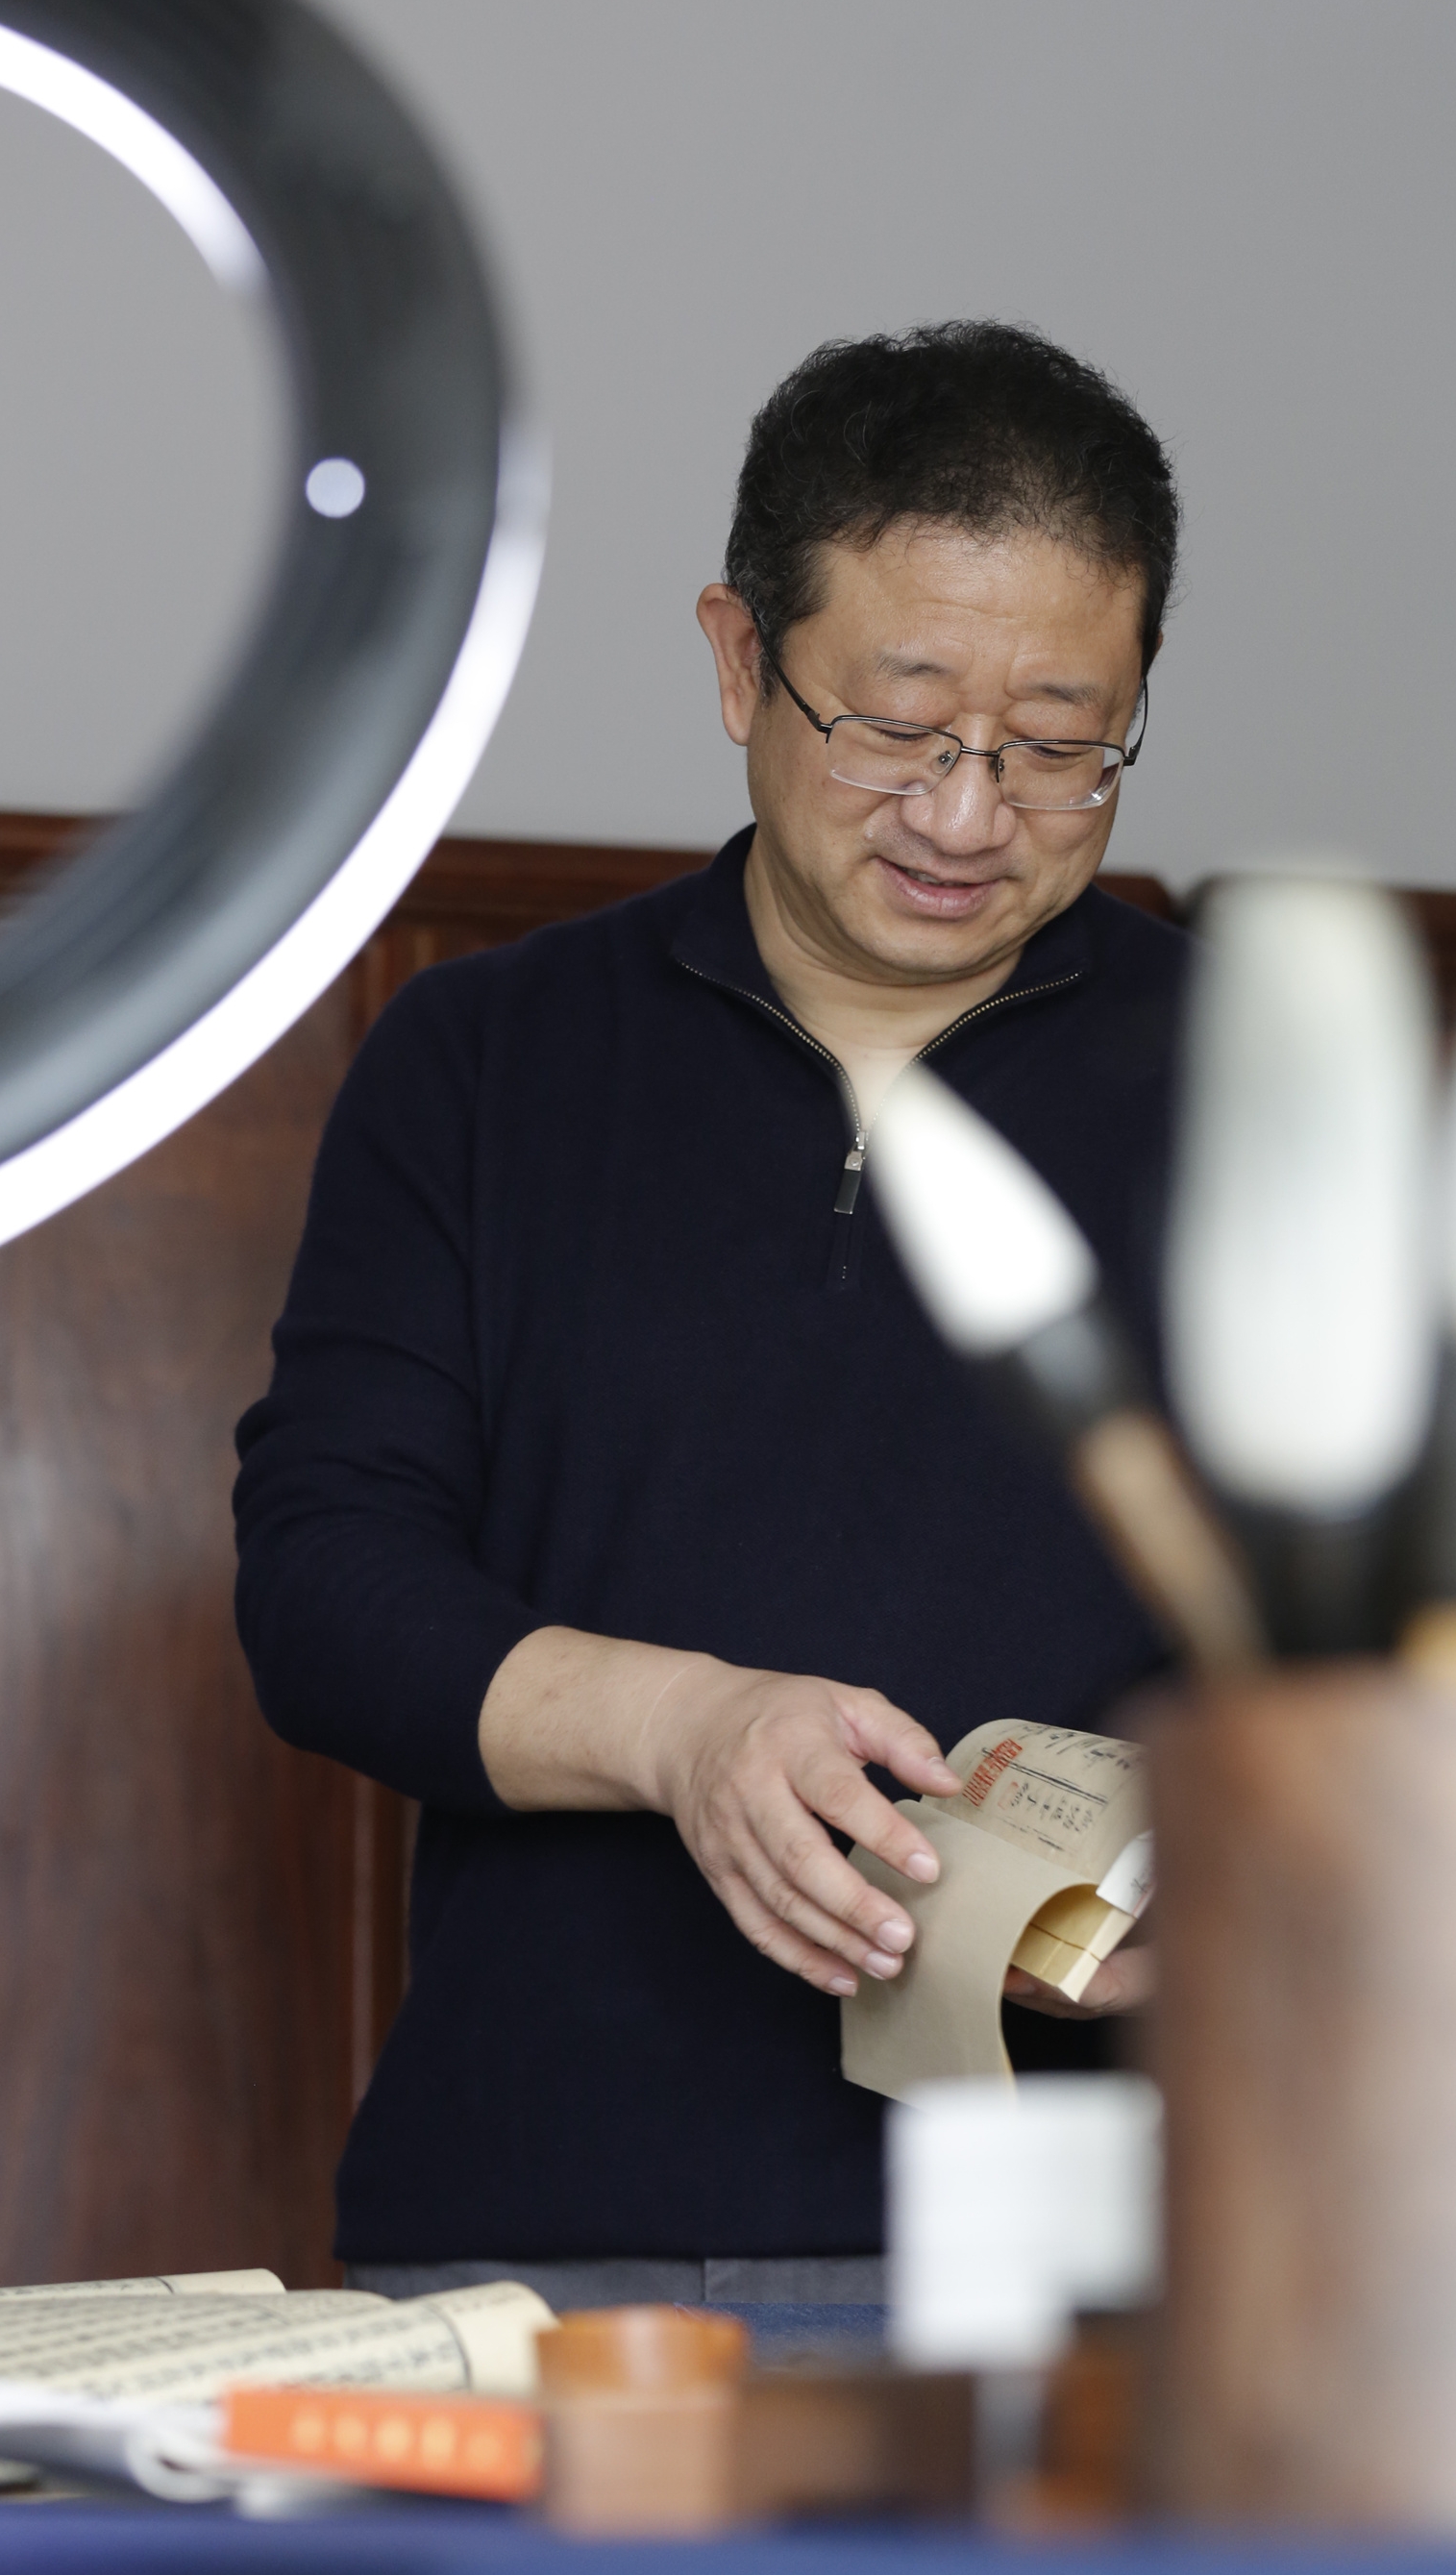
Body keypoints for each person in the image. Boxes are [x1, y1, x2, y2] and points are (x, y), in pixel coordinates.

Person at [233, 320, 1186, 2307]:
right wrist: (686, 1729)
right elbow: (324, 1586)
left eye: (1056, 744)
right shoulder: (485, 1058)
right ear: (742, 660)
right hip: (548, 2218)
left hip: (1095, 2257)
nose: (966, 814)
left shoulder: (1273, 1082)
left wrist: (1243, 1843)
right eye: (896, 725)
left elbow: (1436, 1635)